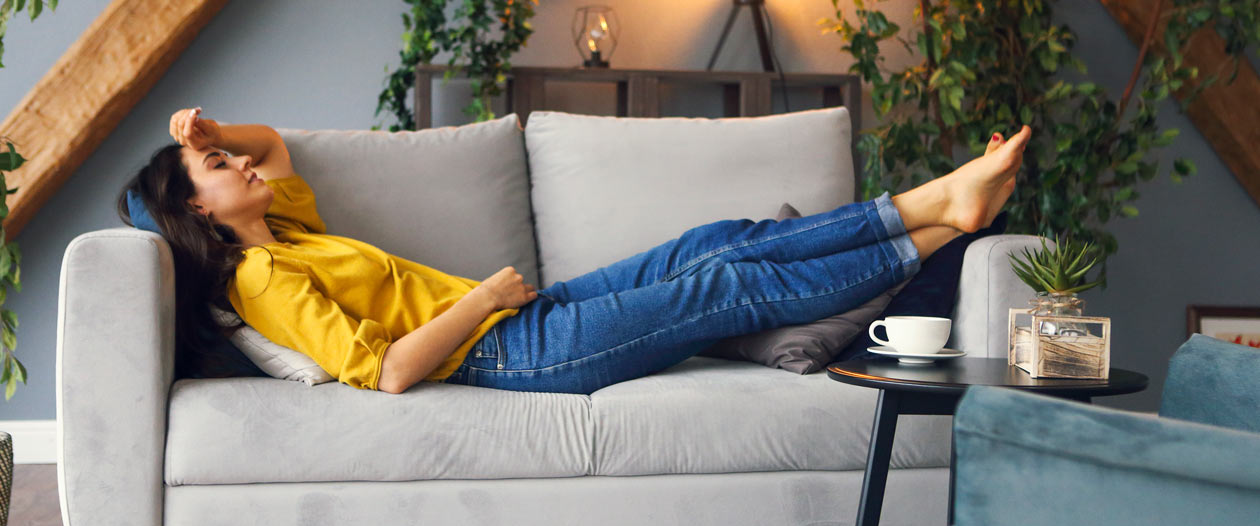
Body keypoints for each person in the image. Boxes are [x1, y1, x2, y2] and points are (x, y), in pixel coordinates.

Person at [117, 107, 1030, 395]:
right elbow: (386, 373)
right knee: (721, 286)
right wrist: (479, 303)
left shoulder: (290, 231)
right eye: (215, 162)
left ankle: (940, 210)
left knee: (714, 241)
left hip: (527, 316)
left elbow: (273, 145)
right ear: (196, 206)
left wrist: (209, 124)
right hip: (514, 346)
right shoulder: (263, 276)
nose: (239, 161)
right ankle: (940, 216)